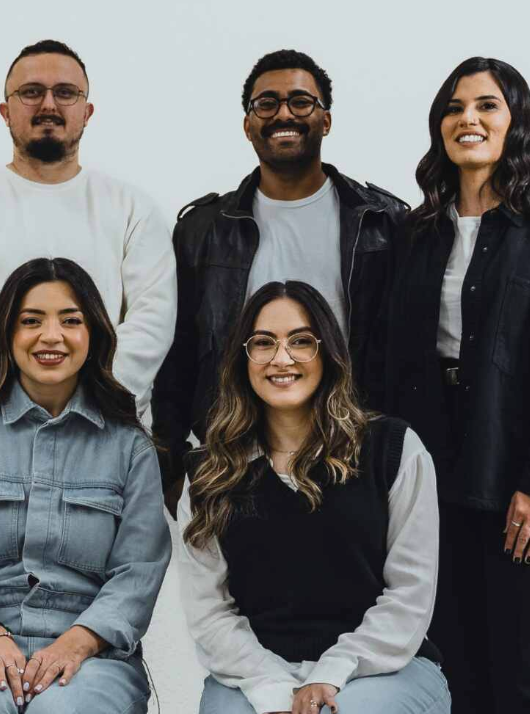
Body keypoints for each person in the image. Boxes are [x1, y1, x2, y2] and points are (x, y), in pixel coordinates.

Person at [379, 57, 530, 713]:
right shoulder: (416, 233)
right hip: (441, 477)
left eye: (487, 105)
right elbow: (391, 364)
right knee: (455, 673)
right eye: (454, 107)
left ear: (516, 121)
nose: (468, 118)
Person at [152, 49, 407, 514]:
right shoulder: (203, 230)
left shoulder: (383, 223)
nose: (283, 114)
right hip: (235, 457)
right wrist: (169, 465)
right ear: (248, 125)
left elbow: (405, 352)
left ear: (326, 120)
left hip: (352, 451)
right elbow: (177, 354)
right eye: (266, 104)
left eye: (300, 101)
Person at [178, 281, 451, 714]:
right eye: (263, 342)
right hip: (254, 674)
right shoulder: (209, 474)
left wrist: (332, 672)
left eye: (301, 341)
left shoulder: (393, 450)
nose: (281, 358)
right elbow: (210, 612)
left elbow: (410, 594)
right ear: (242, 358)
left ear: (328, 353)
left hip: (381, 671)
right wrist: (272, 689)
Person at [0, 258, 170, 713]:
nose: (51, 336)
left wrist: (78, 641)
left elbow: (139, 571)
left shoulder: (130, 447)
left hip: (94, 654)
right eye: (31, 321)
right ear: (6, 334)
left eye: (70, 320)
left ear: (93, 334)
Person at [0, 39, 175, 415]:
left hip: (107, 426)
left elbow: (151, 323)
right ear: (5, 111)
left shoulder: (134, 209)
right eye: (31, 92)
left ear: (87, 112)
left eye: (66, 93)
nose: (49, 105)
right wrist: (29, 401)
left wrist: (87, 404)